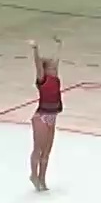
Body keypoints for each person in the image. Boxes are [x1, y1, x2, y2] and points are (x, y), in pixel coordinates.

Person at [27, 39, 62, 191]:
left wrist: (58, 44)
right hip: (41, 117)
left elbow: (57, 58)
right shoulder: (43, 79)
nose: (55, 67)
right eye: (53, 67)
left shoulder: (55, 78)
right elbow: (37, 64)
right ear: (47, 70)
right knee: (38, 149)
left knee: (47, 152)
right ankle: (34, 175)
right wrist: (35, 49)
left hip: (52, 116)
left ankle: (42, 178)